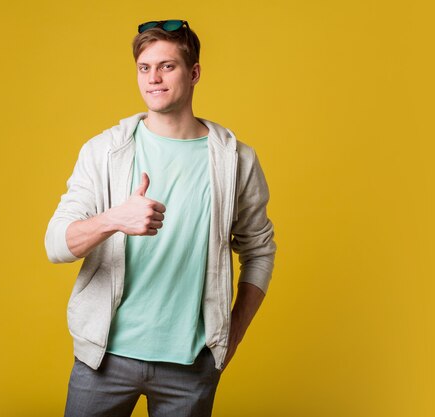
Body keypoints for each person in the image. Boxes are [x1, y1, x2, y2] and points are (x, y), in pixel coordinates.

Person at [45, 19, 276, 417]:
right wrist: (115, 219)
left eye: (167, 66)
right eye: (144, 67)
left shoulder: (235, 159)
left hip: (190, 366)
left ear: (194, 73)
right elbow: (56, 245)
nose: (153, 78)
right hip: (104, 358)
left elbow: (259, 250)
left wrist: (232, 334)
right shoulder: (104, 152)